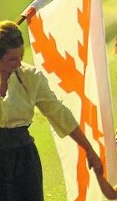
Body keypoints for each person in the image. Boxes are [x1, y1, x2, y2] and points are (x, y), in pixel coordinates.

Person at [0, 20, 102, 201]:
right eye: (12, 59)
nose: (19, 63)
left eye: (21, 56)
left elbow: (58, 113)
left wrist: (89, 149)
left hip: (23, 155)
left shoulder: (30, 76)